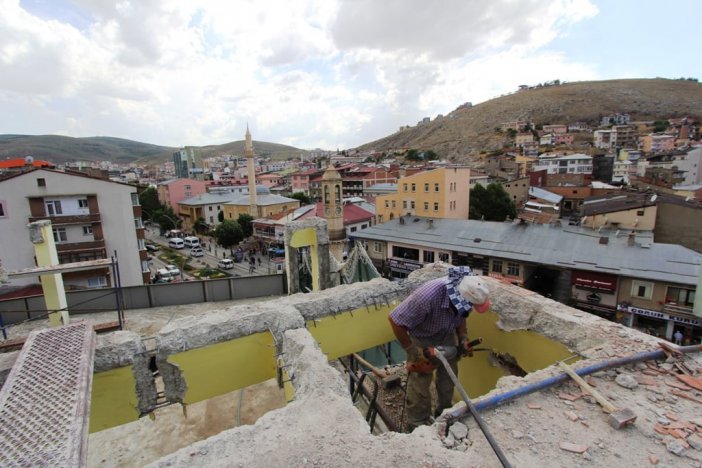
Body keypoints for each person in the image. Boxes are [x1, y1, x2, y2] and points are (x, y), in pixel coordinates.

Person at [388, 266, 491, 431]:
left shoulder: (464, 296)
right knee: (420, 384)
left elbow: (462, 315)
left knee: (448, 380)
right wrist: (414, 353)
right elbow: (395, 320)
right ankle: (417, 425)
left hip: (446, 334)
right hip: (422, 338)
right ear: (456, 296)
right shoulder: (427, 297)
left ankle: (443, 416)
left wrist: (463, 338)